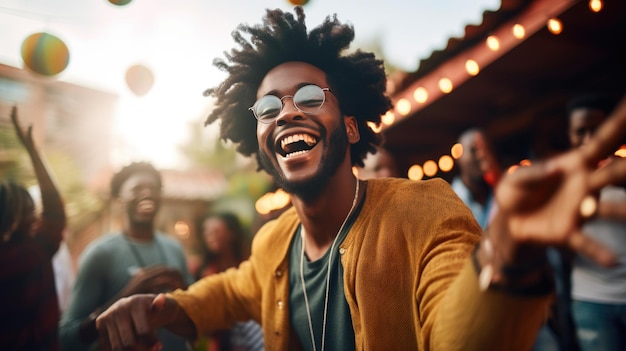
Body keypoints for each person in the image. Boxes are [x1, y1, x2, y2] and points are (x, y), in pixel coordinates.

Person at [95, 7, 626, 351]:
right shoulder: (272, 243)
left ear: (349, 126)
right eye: (266, 108)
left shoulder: (425, 211)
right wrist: (165, 308)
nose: (285, 114)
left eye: (307, 98)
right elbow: (228, 292)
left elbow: (452, 334)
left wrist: (503, 261)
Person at [59, 162, 193, 350]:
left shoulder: (174, 248)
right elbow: (66, 338)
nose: (147, 193)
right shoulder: (100, 253)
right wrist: (125, 297)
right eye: (137, 188)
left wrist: (185, 291)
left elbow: (195, 312)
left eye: (154, 188)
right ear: (119, 199)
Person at [0, 106, 66, 350]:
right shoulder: (26, 256)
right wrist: (33, 151)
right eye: (30, 210)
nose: (36, 217)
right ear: (15, 217)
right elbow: (55, 213)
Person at [566, 93, 626, 351]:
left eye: (597, 131)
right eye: (581, 132)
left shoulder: (623, 171)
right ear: (570, 136)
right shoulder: (562, 180)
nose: (590, 140)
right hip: (591, 299)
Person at [194, 212, 264, 351]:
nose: (209, 236)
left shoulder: (249, 264)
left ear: (232, 233)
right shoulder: (202, 270)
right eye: (206, 232)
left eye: (215, 231)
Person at [451, 128, 502, 229]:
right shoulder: (450, 202)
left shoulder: (498, 190)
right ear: (459, 157)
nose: (481, 156)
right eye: (473, 150)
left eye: (486, 150)